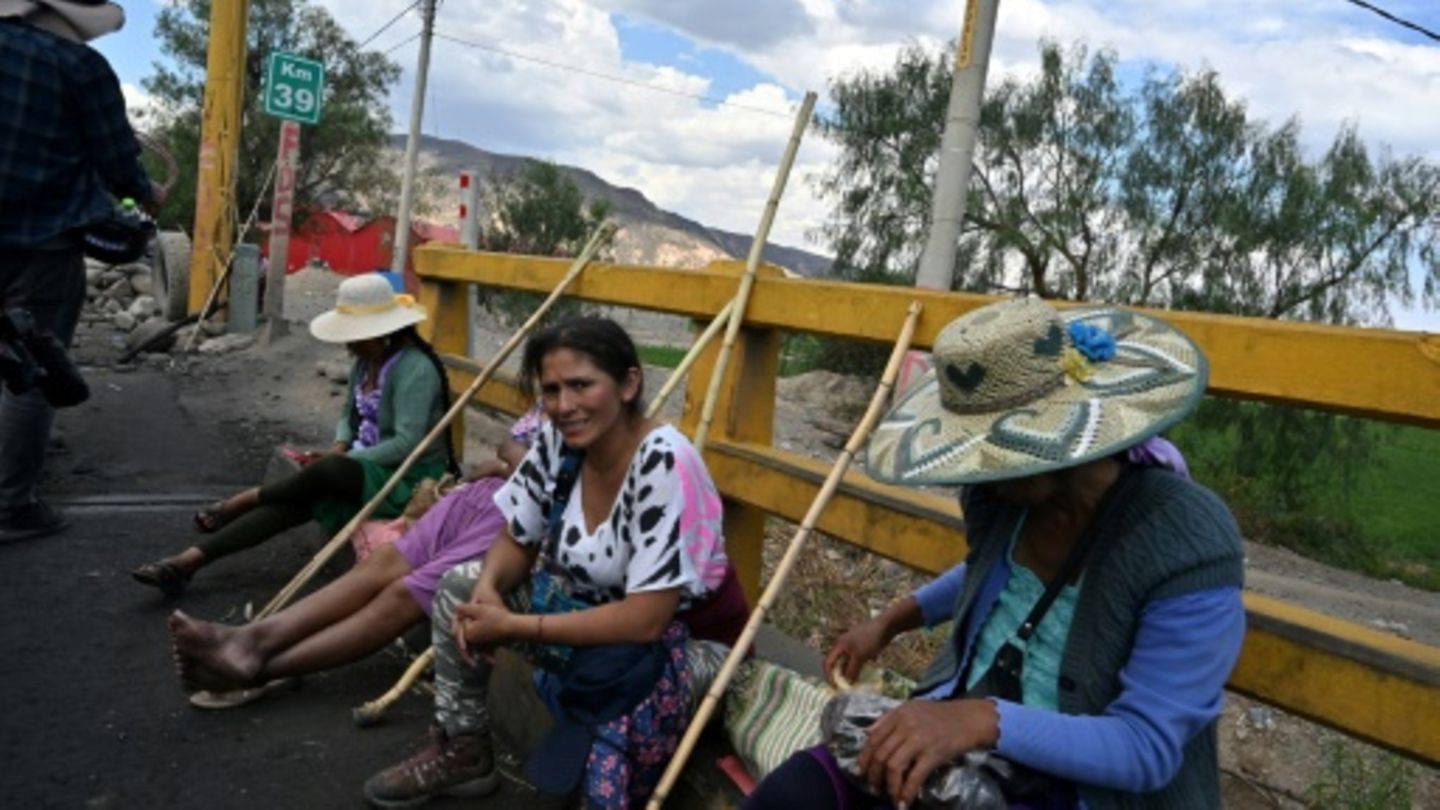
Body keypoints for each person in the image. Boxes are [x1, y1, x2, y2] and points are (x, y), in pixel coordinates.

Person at [745, 298, 1245, 810]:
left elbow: (1146, 746)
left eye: (993, 455)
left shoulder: (1184, 540)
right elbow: (993, 574)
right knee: (797, 792)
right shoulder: (1004, 499)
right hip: (963, 744)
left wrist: (980, 719)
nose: (978, 472)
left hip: (1073, 787)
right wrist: (891, 622)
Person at [362, 316, 747, 810]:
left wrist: (515, 624)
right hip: (587, 614)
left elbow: (646, 620)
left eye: (582, 385)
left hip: (682, 645)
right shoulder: (558, 443)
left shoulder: (665, 463)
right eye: (552, 390)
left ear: (629, 384)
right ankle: (465, 747)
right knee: (460, 585)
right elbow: (517, 536)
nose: (565, 406)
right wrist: (489, 591)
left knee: (621, 698)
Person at [165, 418, 542, 702]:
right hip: (483, 497)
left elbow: (529, 466)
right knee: (380, 564)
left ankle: (256, 667)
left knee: (403, 593)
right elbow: (507, 448)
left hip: (510, 516)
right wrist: (514, 461)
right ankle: (250, 640)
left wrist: (515, 462)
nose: (562, 399)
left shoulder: (413, 368)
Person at [132, 273, 453, 595]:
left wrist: (342, 460)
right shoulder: (364, 362)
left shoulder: (415, 369)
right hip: (361, 466)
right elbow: (348, 415)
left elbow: (405, 444)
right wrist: (341, 445)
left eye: (357, 335)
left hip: (406, 476)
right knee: (299, 500)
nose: (349, 343)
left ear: (383, 331)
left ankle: (244, 500)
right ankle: (187, 563)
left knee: (328, 470)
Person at [0, 0, 156, 542]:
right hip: (41, 242)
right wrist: (146, 195)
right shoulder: (78, 66)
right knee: (37, 372)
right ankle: (11, 505)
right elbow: (118, 160)